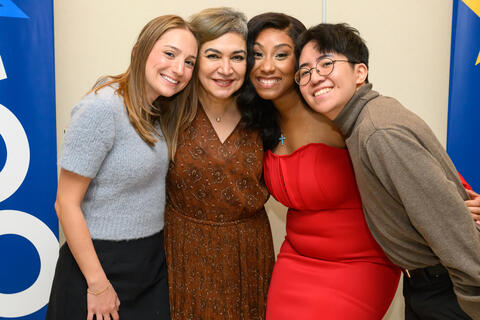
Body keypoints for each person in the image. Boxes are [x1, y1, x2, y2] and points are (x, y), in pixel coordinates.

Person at [296, 23, 480, 319]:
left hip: (451, 292)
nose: (315, 76)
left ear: (360, 73)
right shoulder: (365, 120)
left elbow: (452, 228)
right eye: (304, 72)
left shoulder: (377, 131)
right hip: (429, 285)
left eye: (326, 63)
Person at [237, 13, 401, 320]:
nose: (266, 66)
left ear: (301, 62)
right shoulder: (258, 123)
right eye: (256, 54)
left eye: (281, 55)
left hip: (361, 265)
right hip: (295, 261)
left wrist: (461, 195)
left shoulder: (333, 110)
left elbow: (401, 150)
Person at [46, 15, 198, 320]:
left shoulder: (158, 112)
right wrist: (98, 286)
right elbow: (65, 204)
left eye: (190, 62)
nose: (179, 69)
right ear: (139, 50)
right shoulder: (101, 108)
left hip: (149, 266)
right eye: (169, 54)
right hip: (99, 267)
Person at [163, 8, 275, 320]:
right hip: (183, 251)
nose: (226, 69)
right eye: (213, 55)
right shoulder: (168, 109)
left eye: (237, 57)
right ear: (195, 59)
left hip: (249, 254)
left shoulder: (266, 112)